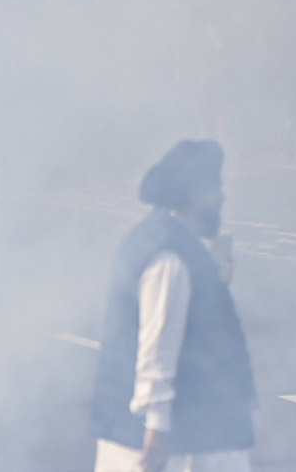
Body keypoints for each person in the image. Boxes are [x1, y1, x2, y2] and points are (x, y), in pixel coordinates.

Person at [90, 140, 255, 472]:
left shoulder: (159, 239)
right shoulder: (170, 258)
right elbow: (158, 346)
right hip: (183, 444)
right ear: (192, 198)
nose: (222, 197)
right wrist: (158, 428)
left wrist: (215, 281)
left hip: (172, 436)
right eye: (215, 188)